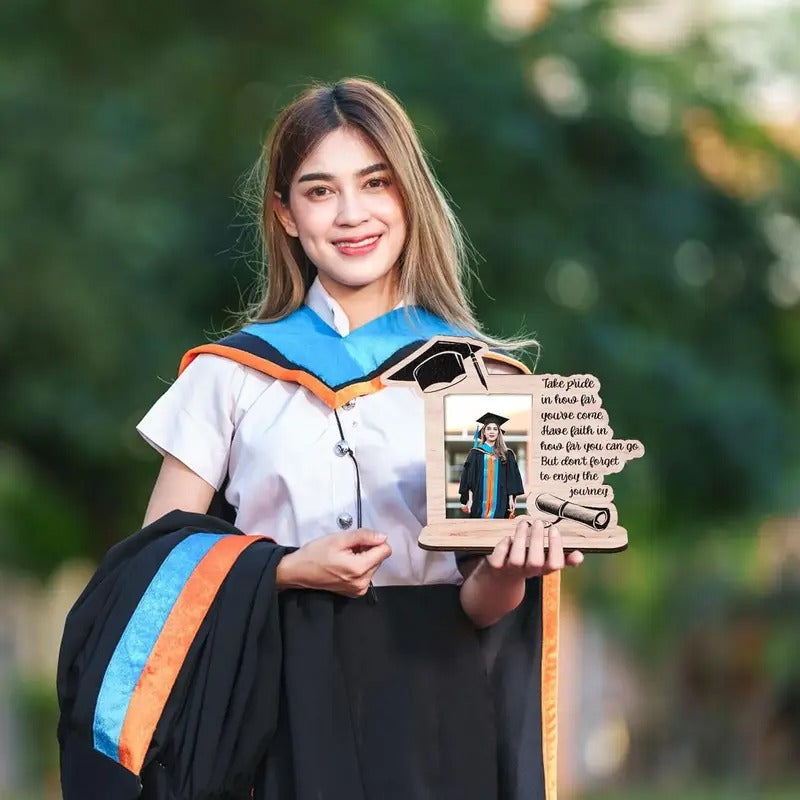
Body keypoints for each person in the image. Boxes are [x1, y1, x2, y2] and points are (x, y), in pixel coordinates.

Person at [59, 77, 584, 800]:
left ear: (408, 195)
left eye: (375, 182)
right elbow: (157, 572)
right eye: (319, 190)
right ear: (285, 215)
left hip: (436, 708)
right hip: (281, 700)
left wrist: (512, 572)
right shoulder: (230, 377)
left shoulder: (480, 381)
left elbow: (480, 602)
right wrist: (284, 568)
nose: (352, 214)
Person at [459, 412, 525, 519]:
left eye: (495, 429)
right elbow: (468, 478)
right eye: (488, 428)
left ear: (499, 433)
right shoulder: (475, 453)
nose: (492, 431)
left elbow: (511, 479)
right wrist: (468, 499)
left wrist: (511, 499)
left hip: (500, 501)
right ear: (484, 432)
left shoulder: (507, 454)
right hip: (478, 501)